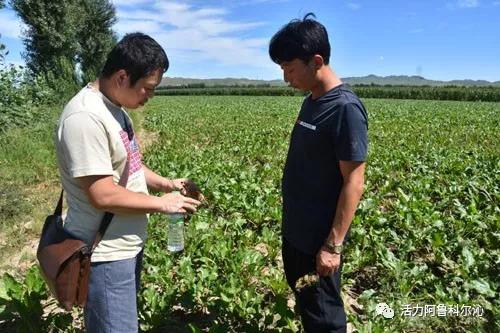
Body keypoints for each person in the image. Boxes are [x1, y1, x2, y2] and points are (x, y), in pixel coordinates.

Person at [55, 32, 201, 332]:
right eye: (148, 88)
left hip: (126, 247)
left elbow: (132, 168)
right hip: (104, 254)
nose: (151, 96)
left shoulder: (117, 111)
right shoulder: (85, 117)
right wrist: (162, 204)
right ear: (122, 77)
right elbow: (103, 194)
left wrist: (167, 184)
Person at [269, 13, 368, 333]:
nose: (286, 78)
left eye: (290, 69)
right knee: (309, 308)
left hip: (318, 242)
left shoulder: (345, 109)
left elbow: (354, 181)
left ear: (316, 61)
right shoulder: (313, 100)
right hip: (296, 233)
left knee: (325, 319)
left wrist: (333, 245)